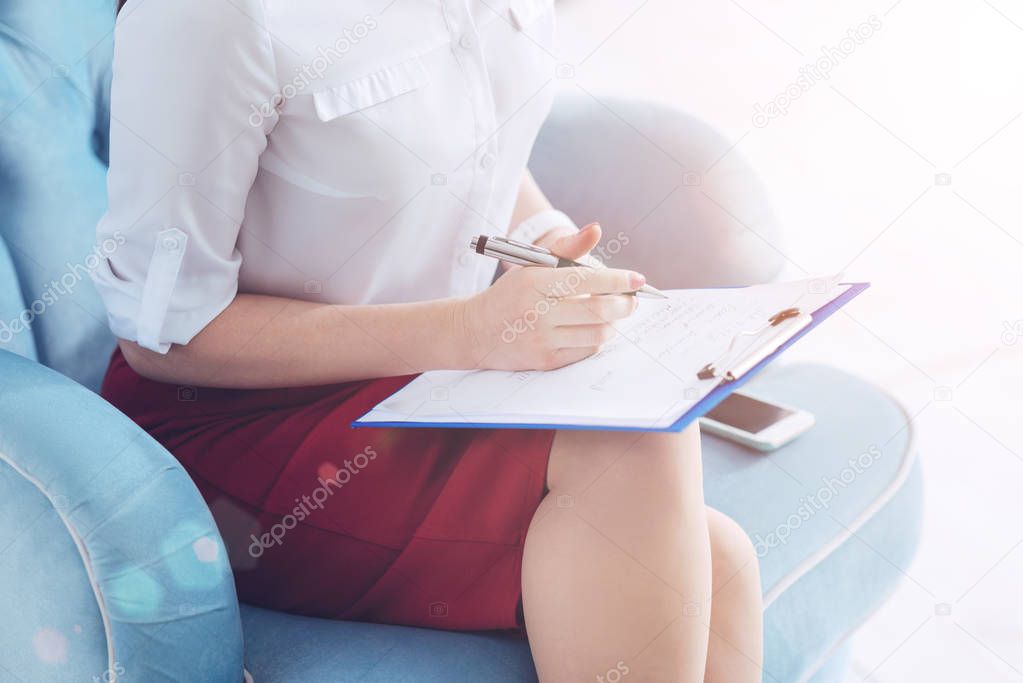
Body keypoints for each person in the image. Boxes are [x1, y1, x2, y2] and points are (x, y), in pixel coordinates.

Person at [94, 0, 763, 680]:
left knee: (723, 564)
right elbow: (165, 339)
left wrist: (547, 247)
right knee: (637, 450)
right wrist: (468, 330)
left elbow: (476, 145)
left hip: (422, 380)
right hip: (235, 424)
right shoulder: (206, 18)